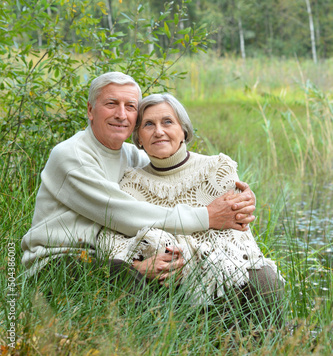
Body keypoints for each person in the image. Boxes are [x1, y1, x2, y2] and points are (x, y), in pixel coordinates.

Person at [21, 72, 256, 292]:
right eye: (111, 104)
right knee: (130, 279)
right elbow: (121, 213)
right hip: (59, 262)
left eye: (130, 106)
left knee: (168, 270)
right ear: (91, 110)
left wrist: (236, 196)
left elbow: (177, 173)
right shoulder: (72, 156)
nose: (121, 114)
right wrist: (206, 216)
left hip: (106, 257)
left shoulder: (131, 155)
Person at [97, 93, 284, 323]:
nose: (158, 131)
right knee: (134, 280)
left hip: (216, 272)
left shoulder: (216, 169)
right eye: (148, 124)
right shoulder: (130, 184)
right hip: (162, 279)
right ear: (138, 139)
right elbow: (109, 239)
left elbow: (236, 236)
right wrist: (141, 263)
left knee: (264, 277)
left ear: (183, 130)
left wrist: (188, 258)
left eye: (167, 122)